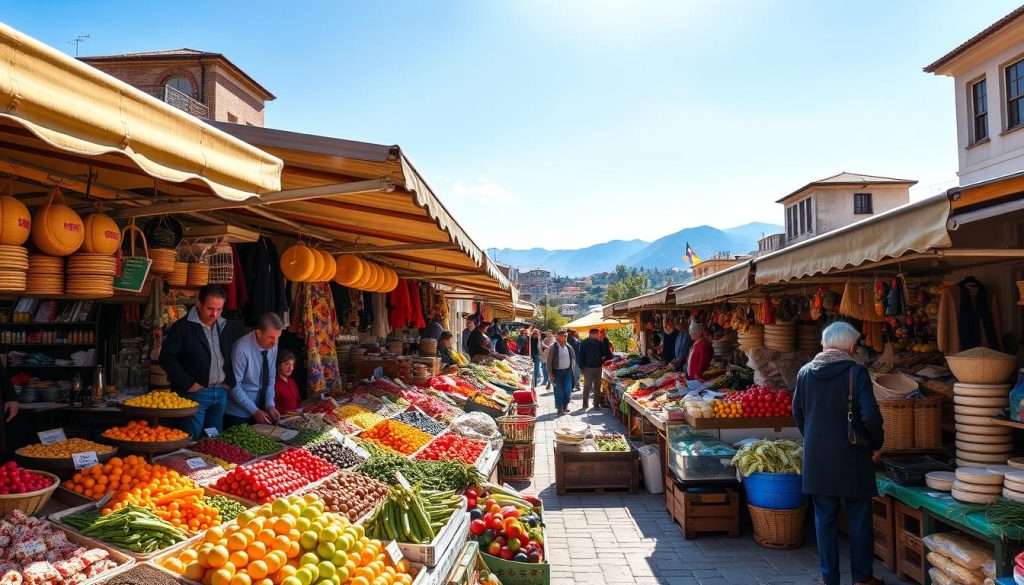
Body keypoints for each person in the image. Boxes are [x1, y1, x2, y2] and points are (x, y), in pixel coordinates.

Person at [793, 321, 884, 585]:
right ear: (852, 347)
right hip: (853, 456)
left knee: (824, 519)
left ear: (824, 344)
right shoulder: (856, 373)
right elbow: (870, 416)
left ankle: (829, 579)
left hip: (818, 457)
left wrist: (812, 438)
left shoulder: (805, 373)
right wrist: (876, 444)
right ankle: (862, 578)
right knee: (859, 519)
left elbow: (797, 413)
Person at [160, 284, 236, 439]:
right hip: (195, 394)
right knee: (191, 438)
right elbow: (166, 358)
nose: (214, 314)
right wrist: (189, 383)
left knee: (213, 439)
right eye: (210, 308)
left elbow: (227, 355)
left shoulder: (224, 326)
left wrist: (229, 380)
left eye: (219, 309)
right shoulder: (182, 327)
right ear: (198, 304)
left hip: (220, 391)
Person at [225, 312, 283, 427]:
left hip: (259, 410)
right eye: (271, 338)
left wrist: (270, 405)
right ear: (259, 333)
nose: (274, 343)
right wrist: (254, 410)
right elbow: (234, 386)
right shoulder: (241, 349)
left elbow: (271, 377)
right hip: (237, 414)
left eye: (278, 338)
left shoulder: (273, 345)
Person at [545, 331, 577, 415]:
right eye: (563, 336)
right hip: (557, 372)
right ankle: (559, 407)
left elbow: (573, 359)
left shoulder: (569, 346)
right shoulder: (553, 347)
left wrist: (573, 371)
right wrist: (550, 373)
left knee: (567, 389)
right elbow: (549, 361)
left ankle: (565, 406)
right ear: (558, 337)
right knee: (558, 390)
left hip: (567, 371)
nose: (565, 337)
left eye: (566, 336)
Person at [577, 328, 610, 410]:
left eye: (597, 334)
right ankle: (585, 404)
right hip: (587, 368)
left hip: (598, 367)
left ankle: (596, 404)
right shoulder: (584, 343)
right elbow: (580, 356)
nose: (596, 335)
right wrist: (582, 368)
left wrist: (601, 359)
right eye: (594, 334)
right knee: (587, 386)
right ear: (590, 334)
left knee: (597, 386)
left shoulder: (599, 343)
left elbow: (604, 353)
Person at [274, 349, 302, 414]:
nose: (291, 368)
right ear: (278, 365)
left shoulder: (292, 382)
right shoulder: (274, 384)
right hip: (283, 419)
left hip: (297, 417)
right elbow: (273, 408)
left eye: (292, 365)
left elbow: (298, 402)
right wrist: (291, 412)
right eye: (287, 364)